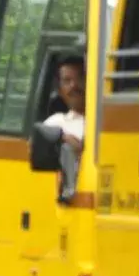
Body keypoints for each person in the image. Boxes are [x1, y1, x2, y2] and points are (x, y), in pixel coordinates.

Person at [43, 55, 85, 203]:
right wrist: (63, 139)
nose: (74, 85)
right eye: (67, 81)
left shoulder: (108, 123)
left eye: (80, 78)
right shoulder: (55, 123)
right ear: (60, 91)